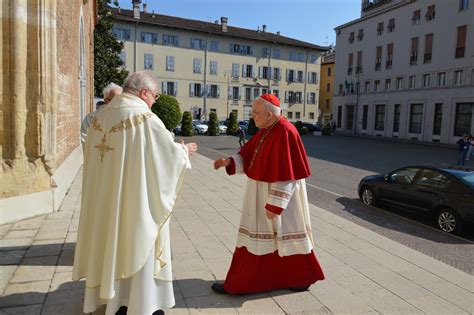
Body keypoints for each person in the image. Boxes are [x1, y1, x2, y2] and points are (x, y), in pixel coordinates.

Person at [73, 71, 197, 315]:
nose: (154, 101)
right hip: (134, 201)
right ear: (144, 92)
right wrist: (183, 152)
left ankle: (112, 300)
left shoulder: (99, 116)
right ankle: (139, 305)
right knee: (138, 241)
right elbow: (166, 156)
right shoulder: (145, 118)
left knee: (110, 243)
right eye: (155, 96)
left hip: (104, 201)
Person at [212, 94, 325, 295]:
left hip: (280, 199)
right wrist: (230, 161)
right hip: (262, 193)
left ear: (270, 114)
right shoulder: (267, 129)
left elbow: (288, 173)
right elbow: (248, 154)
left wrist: (275, 205)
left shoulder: (285, 131)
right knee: (267, 239)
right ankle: (254, 281)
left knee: (280, 236)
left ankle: (252, 282)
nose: (252, 116)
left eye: (256, 113)